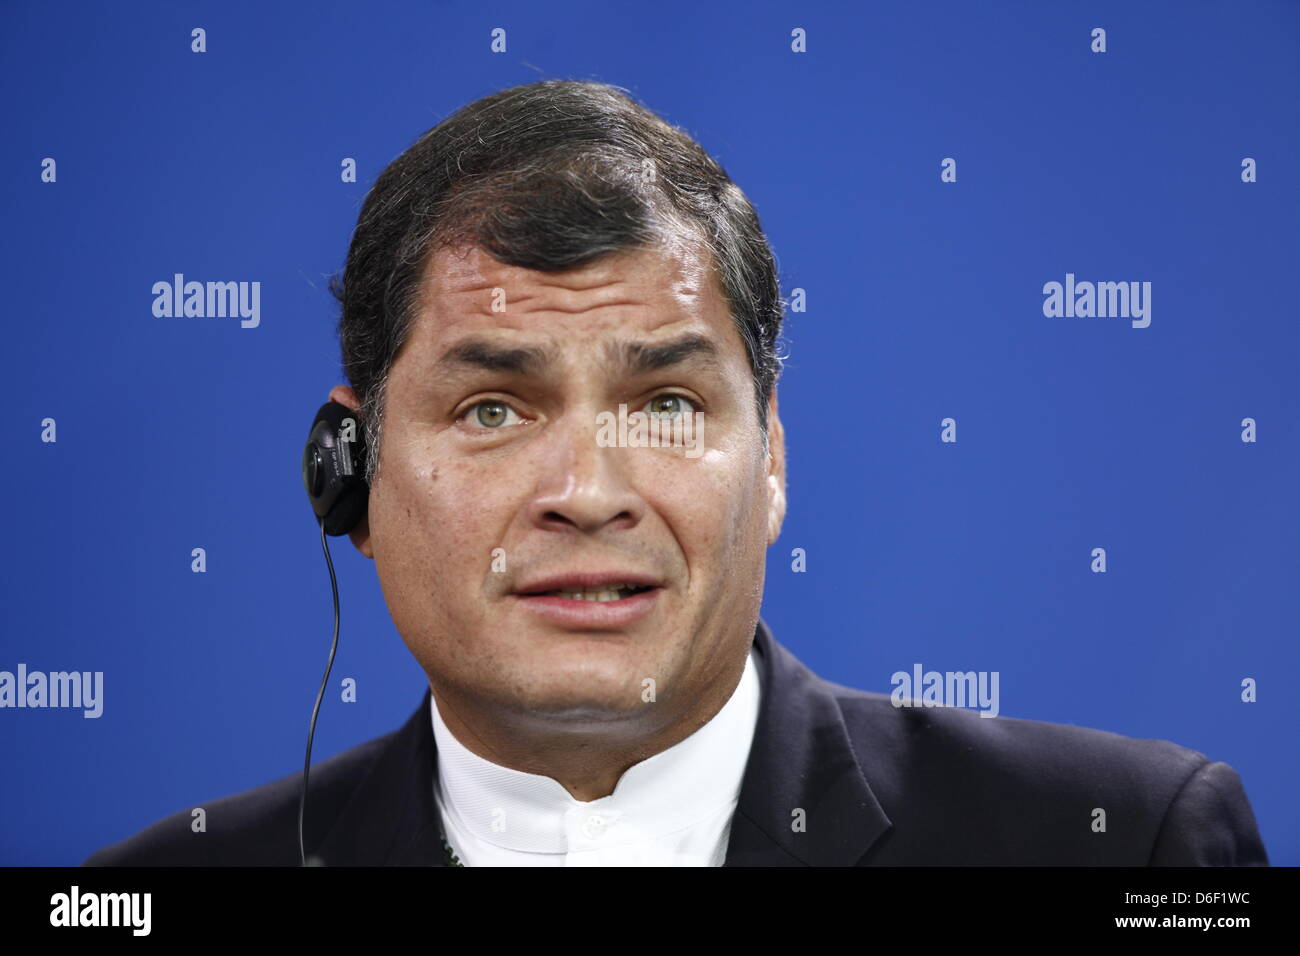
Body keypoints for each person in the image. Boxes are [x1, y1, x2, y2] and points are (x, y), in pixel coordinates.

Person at [83, 79, 1268, 867]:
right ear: (350, 473)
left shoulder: (1120, 843)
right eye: (492, 405)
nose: (589, 489)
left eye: (665, 402)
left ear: (772, 469)